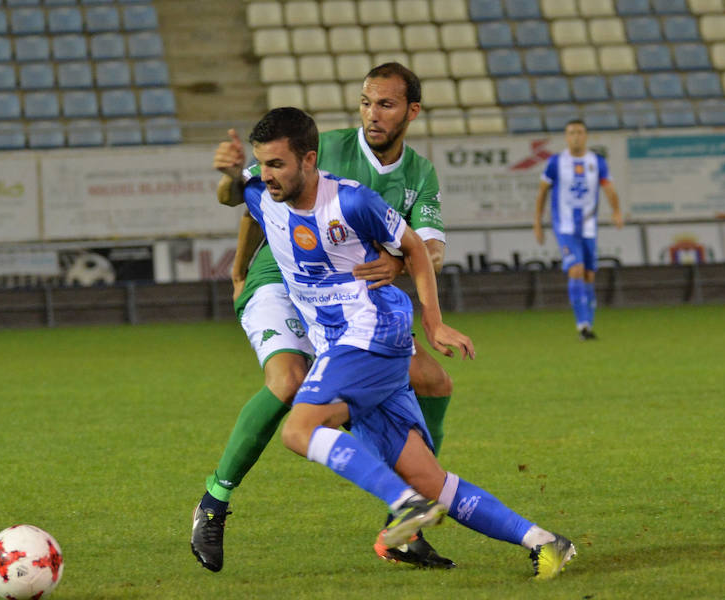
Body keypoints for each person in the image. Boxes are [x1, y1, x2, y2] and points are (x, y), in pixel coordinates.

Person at [198, 106, 576, 580]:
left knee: (299, 430)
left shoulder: (352, 202)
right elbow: (235, 193)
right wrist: (233, 175)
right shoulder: (265, 191)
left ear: (309, 161)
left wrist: (434, 325)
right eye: (262, 164)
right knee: (430, 479)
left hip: (368, 334)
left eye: (277, 164)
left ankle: (404, 505)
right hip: (354, 342)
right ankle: (545, 542)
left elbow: (416, 247)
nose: (267, 175)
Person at [194, 63, 456, 571]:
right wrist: (242, 265)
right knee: (290, 380)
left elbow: (433, 252)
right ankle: (213, 502)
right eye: (365, 102)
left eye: (385, 105)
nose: (372, 114)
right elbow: (242, 196)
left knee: (432, 380)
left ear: (412, 112)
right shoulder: (322, 146)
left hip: (347, 301)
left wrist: (402, 261)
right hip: (280, 278)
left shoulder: (420, 173)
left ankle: (405, 521)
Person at [533, 119, 623, 340]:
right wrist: (537, 221)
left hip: (589, 228)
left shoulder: (597, 162)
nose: (576, 136)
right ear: (566, 137)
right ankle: (581, 324)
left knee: (590, 275)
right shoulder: (556, 162)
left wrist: (616, 210)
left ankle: (588, 325)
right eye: (571, 133)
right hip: (564, 227)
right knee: (576, 270)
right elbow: (542, 192)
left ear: (586, 136)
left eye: (580, 132)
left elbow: (609, 188)